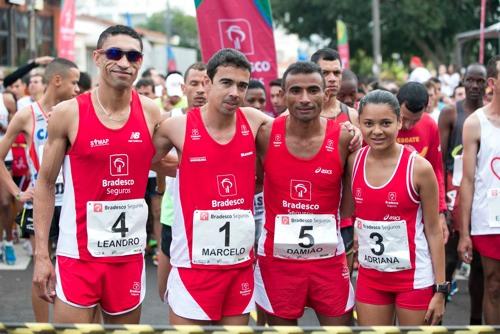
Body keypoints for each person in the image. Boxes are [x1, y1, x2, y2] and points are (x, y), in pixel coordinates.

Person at [32, 25, 161, 324]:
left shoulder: (152, 112)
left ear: (140, 61)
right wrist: (41, 255)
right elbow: (45, 184)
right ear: (98, 57)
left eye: (133, 56)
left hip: (128, 257)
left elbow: (176, 159)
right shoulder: (68, 113)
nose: (124, 63)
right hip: (78, 256)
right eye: (115, 53)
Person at [153, 48, 273, 325]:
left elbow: (297, 132)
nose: (235, 92)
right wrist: (185, 169)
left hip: (238, 266)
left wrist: (348, 131)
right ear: (208, 83)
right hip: (192, 267)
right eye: (226, 82)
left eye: (242, 85)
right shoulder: (177, 127)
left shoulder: (254, 120)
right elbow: (143, 160)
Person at [254, 61, 354, 325]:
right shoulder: (265, 134)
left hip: (328, 261)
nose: (305, 99)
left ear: (326, 93)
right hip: (278, 262)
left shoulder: (344, 138)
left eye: (313, 90)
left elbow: (352, 199)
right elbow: (256, 182)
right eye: (295, 90)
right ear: (283, 94)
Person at [349, 89, 447, 325]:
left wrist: (441, 290)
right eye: (368, 123)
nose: (377, 131)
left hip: (413, 279)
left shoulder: (419, 168)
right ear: (359, 123)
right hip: (370, 278)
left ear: (399, 122)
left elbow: (434, 231)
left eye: (386, 123)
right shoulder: (353, 161)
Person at [0, 57, 80, 320]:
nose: (79, 89)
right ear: (57, 80)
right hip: (40, 203)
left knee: (72, 268)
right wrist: (16, 192)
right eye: (74, 82)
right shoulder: (27, 114)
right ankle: (42, 326)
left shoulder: (76, 111)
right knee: (41, 265)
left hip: (71, 204)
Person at [156, 61, 208, 302]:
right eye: (195, 84)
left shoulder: (231, 121)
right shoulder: (170, 120)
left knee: (207, 291)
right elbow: (151, 159)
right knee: (165, 292)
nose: (200, 89)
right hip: (173, 214)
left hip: (213, 216)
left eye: (206, 83)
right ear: (184, 88)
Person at [439, 63, 486, 324]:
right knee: (446, 264)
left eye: (480, 81)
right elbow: (439, 160)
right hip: (453, 196)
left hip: (481, 198)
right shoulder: (450, 114)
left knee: (479, 266)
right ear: (463, 82)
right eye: (470, 80)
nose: (475, 86)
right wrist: (443, 207)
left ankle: (476, 322)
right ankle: (437, 319)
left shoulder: (491, 114)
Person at [458, 55, 500, 325]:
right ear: (493, 83)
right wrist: (464, 233)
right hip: (488, 220)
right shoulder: (475, 123)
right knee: (494, 285)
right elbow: (468, 180)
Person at [311, 48, 359, 273]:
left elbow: (361, 175)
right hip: (303, 215)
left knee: (341, 293)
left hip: (343, 221)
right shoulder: (292, 116)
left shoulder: (353, 117)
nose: (332, 78)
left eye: (336, 73)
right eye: (325, 72)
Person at [396, 82, 449, 243]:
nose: (407, 125)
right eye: (404, 118)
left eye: (415, 120)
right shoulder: (383, 125)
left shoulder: (430, 125)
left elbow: (437, 171)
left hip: (420, 205)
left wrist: (440, 212)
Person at [0, 90, 17, 264]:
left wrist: (4, 127)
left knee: (5, 202)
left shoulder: (5, 98)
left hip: (5, 156)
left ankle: (9, 242)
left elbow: (14, 126)